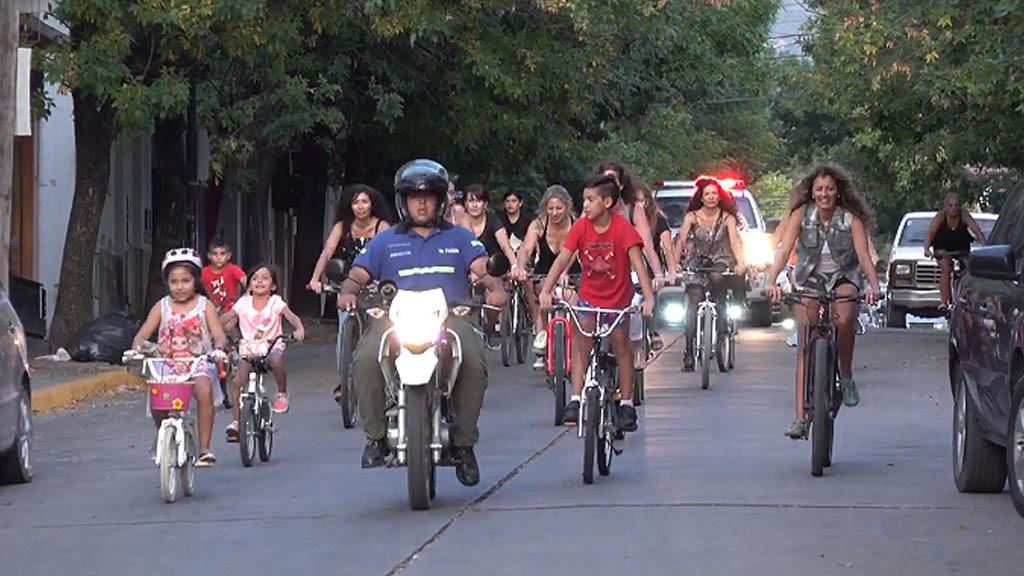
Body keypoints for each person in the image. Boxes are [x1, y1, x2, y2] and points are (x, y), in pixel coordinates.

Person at [339, 159, 506, 487]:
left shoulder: (459, 237)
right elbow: (357, 275)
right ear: (403, 201)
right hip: (395, 320)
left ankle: (464, 444)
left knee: (473, 359)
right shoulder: (385, 241)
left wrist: (495, 289)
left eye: (429, 195)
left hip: (450, 318)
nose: (422, 201)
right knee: (364, 359)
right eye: (414, 196)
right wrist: (348, 292)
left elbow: (483, 268)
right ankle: (374, 438)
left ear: (441, 199)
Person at [767, 165, 881, 439]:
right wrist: (771, 281)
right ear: (811, 192)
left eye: (829, 188)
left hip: (844, 275)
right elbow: (783, 251)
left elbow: (864, 257)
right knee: (805, 339)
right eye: (819, 189)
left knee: (843, 320)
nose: (824, 194)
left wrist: (874, 286)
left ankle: (846, 374)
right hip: (810, 278)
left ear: (838, 191)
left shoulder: (851, 218)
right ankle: (799, 417)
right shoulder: (800, 215)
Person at [538, 173, 656, 431]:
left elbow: (639, 265)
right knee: (583, 341)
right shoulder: (580, 228)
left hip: (617, 299)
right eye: (584, 200)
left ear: (608, 202)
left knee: (621, 344)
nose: (586, 206)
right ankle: (576, 398)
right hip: (589, 297)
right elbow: (562, 260)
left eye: (591, 200)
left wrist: (647, 298)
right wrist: (546, 290)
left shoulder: (623, 229)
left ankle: (625, 403)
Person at [132, 248, 229, 466]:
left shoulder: (205, 306)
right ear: (167, 282)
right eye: (174, 281)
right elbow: (142, 335)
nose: (180, 286)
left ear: (195, 280)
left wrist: (219, 349)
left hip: (198, 364)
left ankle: (204, 448)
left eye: (185, 280)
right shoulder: (161, 306)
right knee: (158, 399)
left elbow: (219, 336)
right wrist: (137, 348)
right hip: (166, 364)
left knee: (204, 390)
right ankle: (162, 435)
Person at [307, 184, 392, 402]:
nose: (360, 207)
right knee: (345, 332)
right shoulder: (342, 227)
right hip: (347, 288)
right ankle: (344, 381)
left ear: (372, 204)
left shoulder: (382, 226)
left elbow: (389, 254)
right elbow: (327, 253)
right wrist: (315, 279)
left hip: (376, 288)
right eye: (356, 202)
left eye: (364, 201)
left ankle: (390, 379)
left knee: (384, 333)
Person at [221, 264, 306, 441]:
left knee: (276, 361)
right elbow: (228, 317)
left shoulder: (275, 302)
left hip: (271, 346)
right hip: (249, 347)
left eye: (265, 278)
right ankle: (237, 422)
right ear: (249, 285)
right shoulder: (243, 303)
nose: (259, 281)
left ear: (273, 286)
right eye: (255, 278)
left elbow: (291, 317)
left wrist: (299, 329)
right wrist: (216, 327)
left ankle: (282, 393)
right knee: (238, 381)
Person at [672, 178, 748, 371]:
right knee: (693, 298)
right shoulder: (692, 217)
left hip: (721, 260)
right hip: (697, 261)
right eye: (707, 194)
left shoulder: (727, 218)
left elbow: (735, 242)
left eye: (714, 193)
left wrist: (740, 263)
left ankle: (722, 330)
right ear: (701, 197)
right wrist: (674, 263)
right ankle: (688, 352)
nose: (711, 197)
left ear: (719, 196)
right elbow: (681, 240)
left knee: (717, 279)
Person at [512, 185, 581, 369]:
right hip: (544, 271)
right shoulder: (538, 224)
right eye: (551, 209)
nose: (555, 213)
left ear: (567, 207)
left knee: (572, 299)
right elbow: (526, 248)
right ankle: (541, 333)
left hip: (571, 271)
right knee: (543, 292)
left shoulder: (577, 224)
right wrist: (520, 266)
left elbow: (575, 250)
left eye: (559, 208)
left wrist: (564, 273)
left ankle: (575, 342)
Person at [923, 193, 987, 313]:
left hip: (961, 248)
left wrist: (985, 245)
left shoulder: (964, 216)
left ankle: (967, 297)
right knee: (946, 267)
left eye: (956, 205)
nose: (953, 209)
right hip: (943, 249)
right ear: (946, 207)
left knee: (969, 268)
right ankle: (944, 302)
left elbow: (977, 230)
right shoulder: (940, 218)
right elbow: (930, 234)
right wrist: (927, 249)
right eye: (950, 205)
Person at [458, 184, 519, 268]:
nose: (475, 205)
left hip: (492, 270)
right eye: (471, 201)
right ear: (465, 203)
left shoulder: (492, 219)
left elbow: (506, 247)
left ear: (485, 204)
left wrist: (515, 266)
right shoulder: (458, 222)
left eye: (479, 201)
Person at [202, 238, 247, 315]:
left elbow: (247, 282)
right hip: (209, 310)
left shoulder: (233, 269)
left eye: (222, 254)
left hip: (231, 309)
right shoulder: (204, 272)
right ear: (209, 256)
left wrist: (244, 299)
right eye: (215, 254)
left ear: (228, 256)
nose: (219, 257)